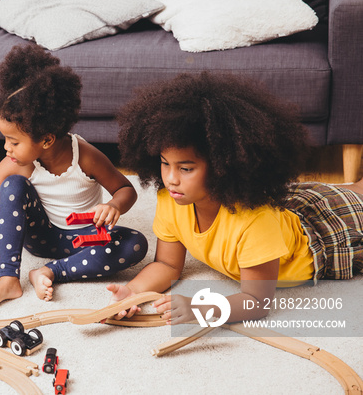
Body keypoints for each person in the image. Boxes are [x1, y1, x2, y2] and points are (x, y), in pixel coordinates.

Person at [106, 72, 363, 325]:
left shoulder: (257, 221)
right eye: (164, 164)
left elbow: (257, 301)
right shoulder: (171, 199)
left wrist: (201, 309)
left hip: (322, 238)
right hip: (287, 216)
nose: (171, 178)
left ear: (222, 167)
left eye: (185, 169)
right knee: (328, 192)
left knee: (349, 199)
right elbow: (167, 264)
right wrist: (133, 291)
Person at [0, 44, 148, 315]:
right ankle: (8, 279)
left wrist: (114, 206)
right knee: (10, 186)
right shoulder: (17, 166)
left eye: (14, 141)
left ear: (47, 139)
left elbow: (124, 189)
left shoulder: (84, 156)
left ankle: (50, 272)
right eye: (5, 139)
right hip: (43, 238)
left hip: (87, 238)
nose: (6, 148)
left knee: (135, 244)